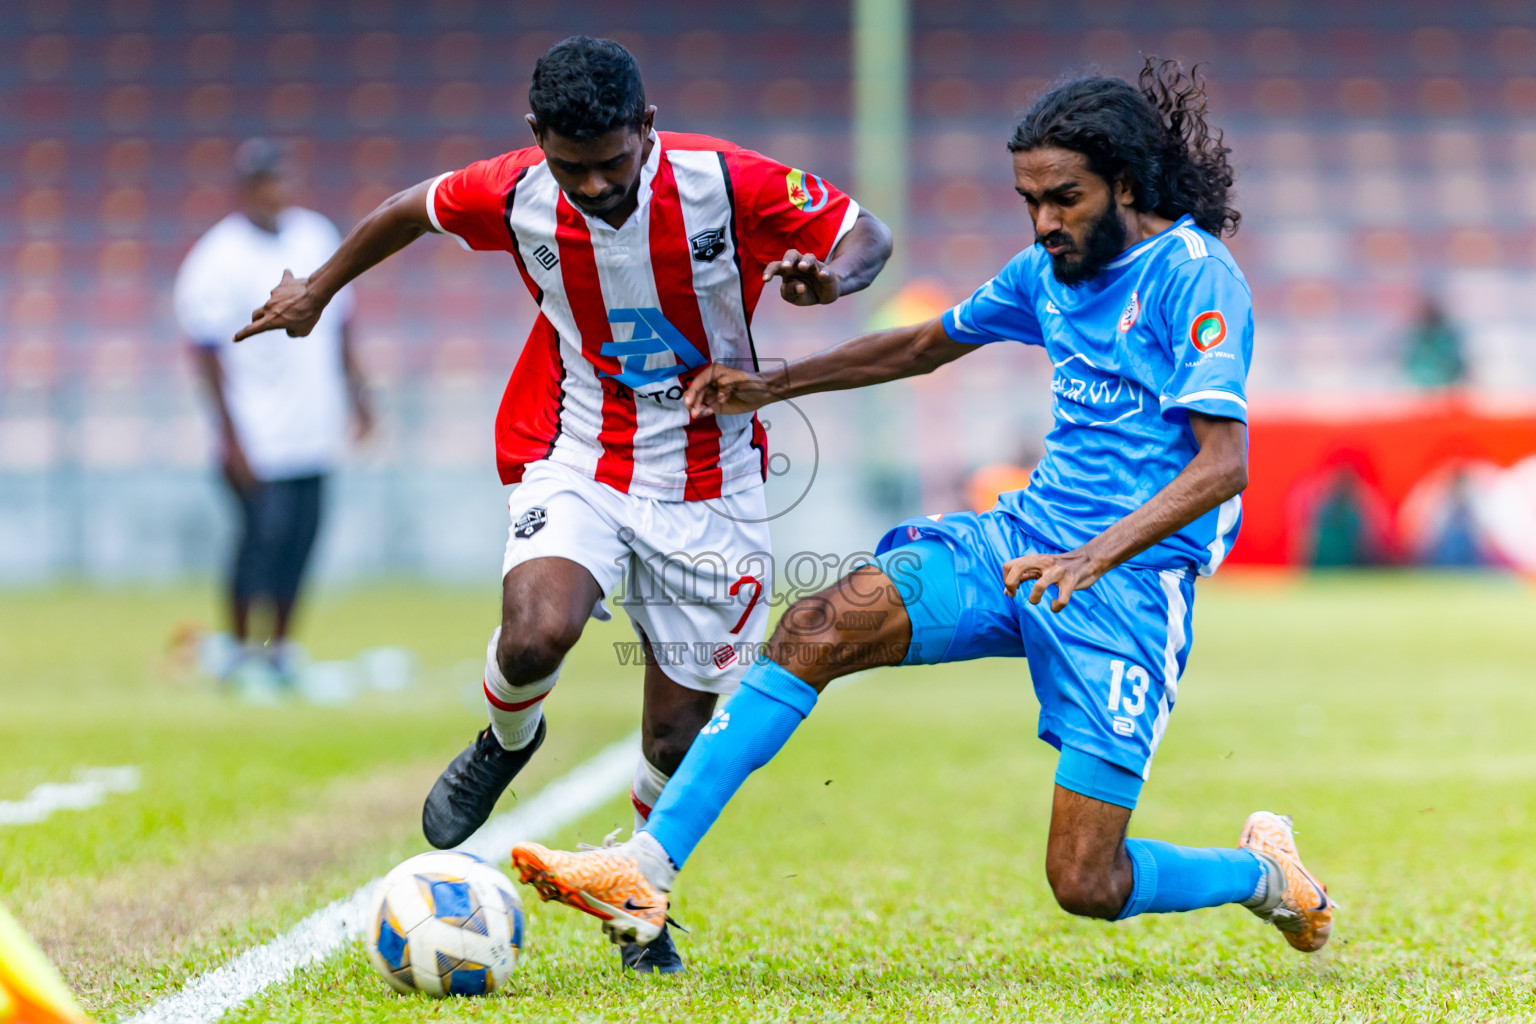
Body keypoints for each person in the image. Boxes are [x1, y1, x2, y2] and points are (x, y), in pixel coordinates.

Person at [511, 61, 1335, 958]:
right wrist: (772, 384)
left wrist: (1091, 558)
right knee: (818, 624)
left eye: (1065, 199)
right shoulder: (1044, 270)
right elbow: (922, 345)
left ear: (1126, 184)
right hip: (1017, 544)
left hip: (1126, 585)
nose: (1045, 222)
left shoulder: (1194, 277)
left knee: (1086, 882)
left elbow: (1225, 466)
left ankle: (1267, 877)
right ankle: (649, 867)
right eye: (1030, 201)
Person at [235, 37, 891, 973]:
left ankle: (642, 896)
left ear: (647, 129)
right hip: (578, 449)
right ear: (536, 137)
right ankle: (505, 742)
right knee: (538, 630)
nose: (593, 188)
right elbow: (407, 210)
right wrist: (316, 292)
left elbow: (867, 236)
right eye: (571, 166)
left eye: (613, 164)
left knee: (674, 728)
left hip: (715, 483)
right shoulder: (513, 189)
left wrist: (833, 279)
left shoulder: (723, 181)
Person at [174, 139, 374, 685]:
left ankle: (280, 650)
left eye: (281, 180)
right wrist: (230, 437)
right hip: (257, 434)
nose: (275, 192)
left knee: (301, 543)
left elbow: (343, 324)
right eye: (264, 182)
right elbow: (206, 352)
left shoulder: (316, 235)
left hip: (312, 426)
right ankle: (241, 651)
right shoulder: (217, 257)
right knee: (259, 544)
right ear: (246, 189)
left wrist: (360, 395)